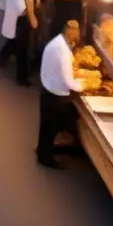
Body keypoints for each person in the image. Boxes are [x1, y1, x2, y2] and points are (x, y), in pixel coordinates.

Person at [36, 19, 83, 169]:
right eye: (76, 32)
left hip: (48, 89)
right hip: (55, 94)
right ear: (69, 31)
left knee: (47, 125)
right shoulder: (62, 51)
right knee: (51, 126)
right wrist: (83, 86)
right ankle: (45, 157)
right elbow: (68, 81)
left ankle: (42, 150)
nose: (77, 35)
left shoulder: (58, 43)